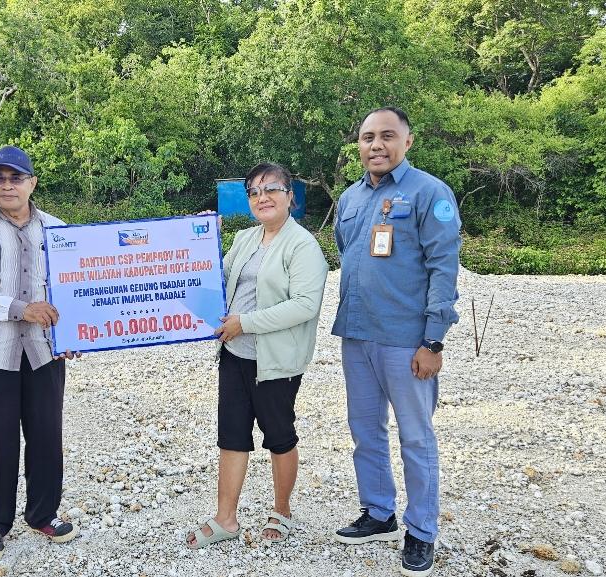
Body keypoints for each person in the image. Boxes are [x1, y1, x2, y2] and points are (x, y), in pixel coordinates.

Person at [331, 107, 461, 577]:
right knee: (365, 431)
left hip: (407, 341)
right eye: (368, 138)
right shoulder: (349, 198)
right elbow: (347, 252)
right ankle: (379, 512)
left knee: (415, 437)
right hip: (357, 334)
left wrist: (434, 340)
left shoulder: (429, 193)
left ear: (408, 141)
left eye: (387, 136)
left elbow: (443, 267)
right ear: (359, 145)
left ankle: (422, 531)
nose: (376, 145)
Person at [186, 162, 328, 549]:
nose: (262, 197)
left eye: (272, 189)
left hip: (275, 362)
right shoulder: (246, 238)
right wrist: (200, 239)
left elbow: (304, 305)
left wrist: (245, 322)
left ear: (290, 197)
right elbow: (215, 278)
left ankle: (281, 511)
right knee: (231, 436)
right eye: (254, 192)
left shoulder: (303, 246)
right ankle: (225, 519)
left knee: (279, 436)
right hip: (234, 354)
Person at [0, 145, 80, 560]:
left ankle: (44, 513)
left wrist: (76, 333)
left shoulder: (58, 230)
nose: (7, 185)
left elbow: (76, 289)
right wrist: (21, 309)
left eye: (16, 178)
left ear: (32, 183)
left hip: (45, 353)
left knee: (46, 435)